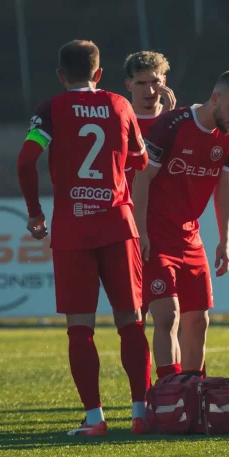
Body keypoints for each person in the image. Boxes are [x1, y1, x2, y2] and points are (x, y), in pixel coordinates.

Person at [16, 40, 152, 436]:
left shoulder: (51, 110)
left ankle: (95, 420)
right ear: (99, 74)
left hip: (73, 229)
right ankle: (140, 414)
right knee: (131, 322)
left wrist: (36, 214)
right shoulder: (120, 105)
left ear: (61, 76)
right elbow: (141, 160)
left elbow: (26, 159)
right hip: (117, 224)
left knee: (81, 328)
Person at [132, 71, 229, 380]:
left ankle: (191, 392)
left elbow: (225, 185)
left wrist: (225, 239)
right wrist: (141, 232)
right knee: (167, 317)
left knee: (198, 321)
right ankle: (169, 392)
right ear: (216, 98)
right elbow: (141, 178)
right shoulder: (172, 125)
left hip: (191, 237)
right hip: (156, 237)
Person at [122, 51, 177, 193]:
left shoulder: (180, 120)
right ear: (128, 85)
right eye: (141, 83)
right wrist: (163, 124)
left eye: (155, 82)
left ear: (164, 81)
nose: (150, 90)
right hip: (132, 210)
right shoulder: (119, 121)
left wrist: (168, 120)